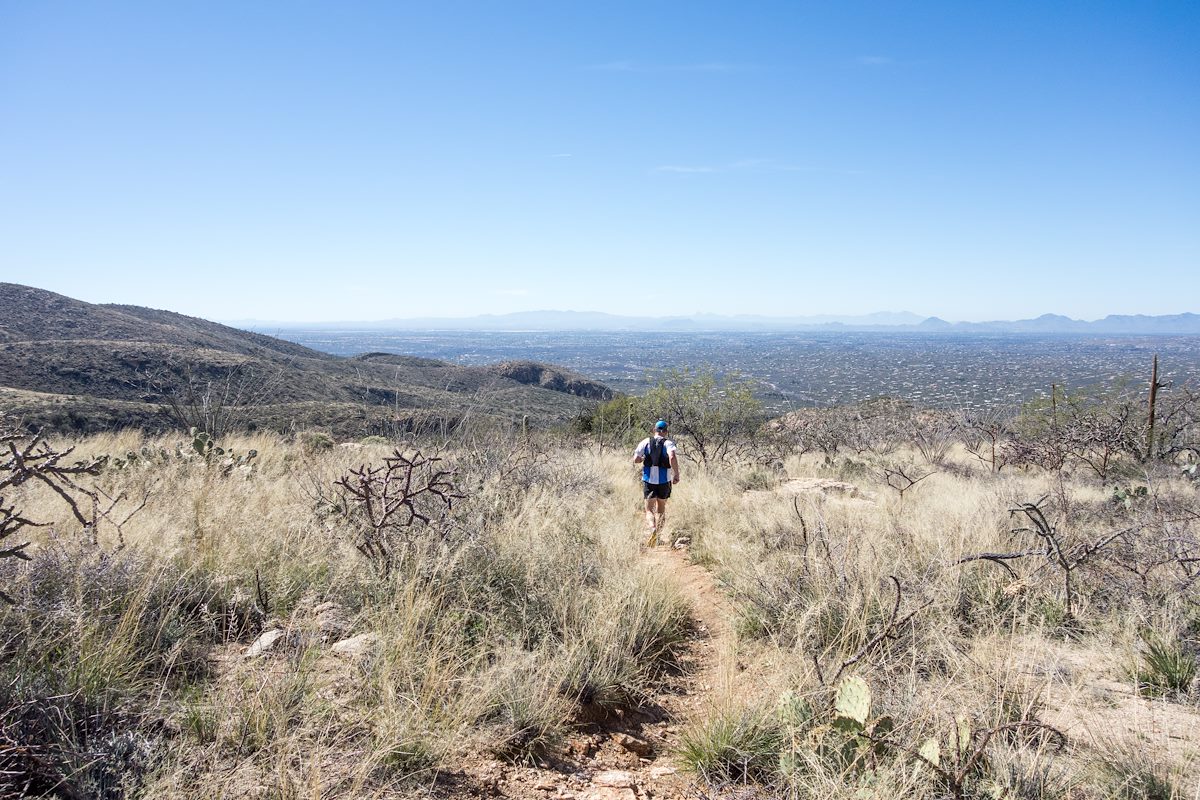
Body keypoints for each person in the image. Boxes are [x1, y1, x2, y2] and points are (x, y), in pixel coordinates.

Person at [632, 419, 680, 545]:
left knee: (648, 510)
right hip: (664, 481)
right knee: (661, 509)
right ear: (666, 431)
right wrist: (676, 474)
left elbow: (636, 459)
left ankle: (652, 528)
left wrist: (643, 458)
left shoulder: (645, 442)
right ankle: (657, 535)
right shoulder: (668, 443)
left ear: (654, 430)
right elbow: (672, 457)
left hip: (649, 481)